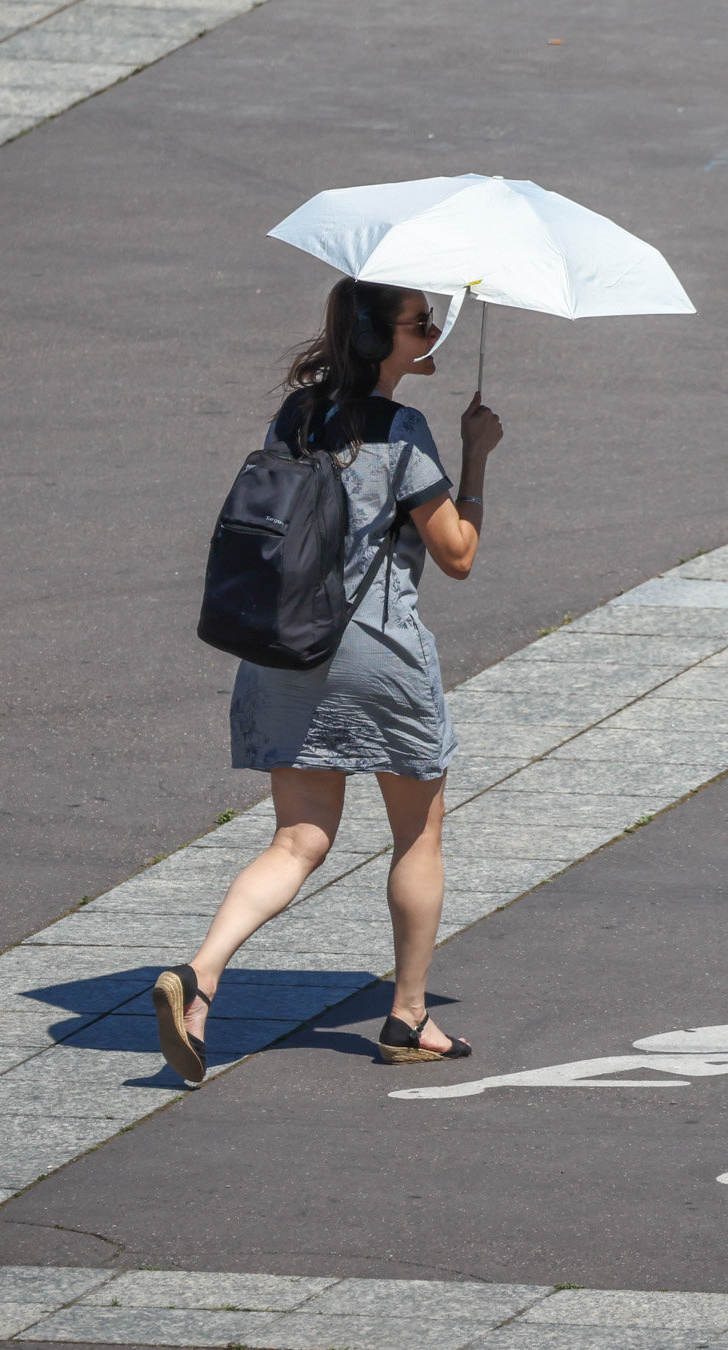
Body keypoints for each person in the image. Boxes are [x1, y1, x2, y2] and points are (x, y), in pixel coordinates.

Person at [153, 275, 501, 1083]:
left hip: (287, 646)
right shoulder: (405, 432)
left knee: (298, 838)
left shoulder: (297, 413)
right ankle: (409, 1017)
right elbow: (458, 554)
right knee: (417, 830)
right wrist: (476, 459)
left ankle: (200, 977)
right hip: (376, 650)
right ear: (385, 339)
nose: (435, 333)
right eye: (423, 322)